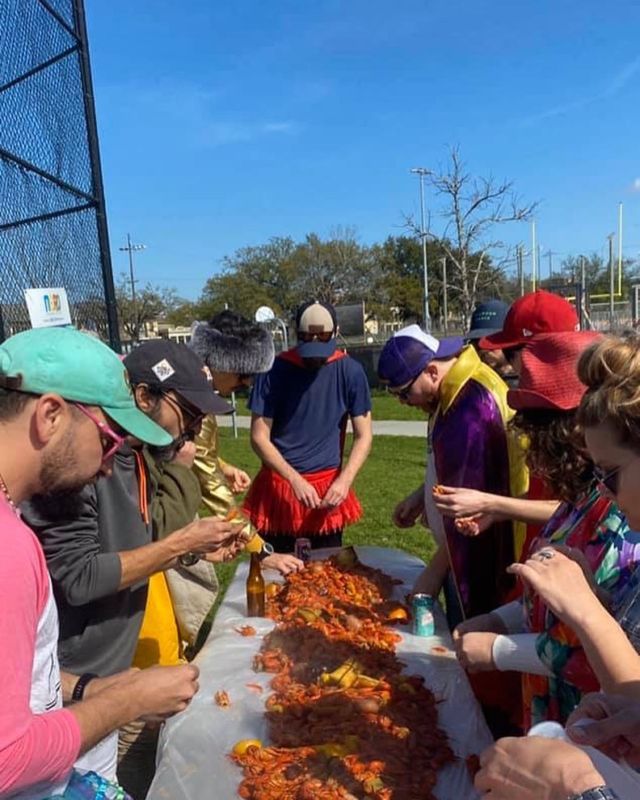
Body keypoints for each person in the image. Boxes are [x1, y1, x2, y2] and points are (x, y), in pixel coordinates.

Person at [22, 339, 242, 782]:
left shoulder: (136, 458)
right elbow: (80, 577)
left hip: (107, 673)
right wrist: (177, 546)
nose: (195, 429)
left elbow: (138, 538)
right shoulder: (81, 467)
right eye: (189, 414)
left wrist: (189, 548)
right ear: (144, 397)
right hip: (74, 683)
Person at [0, 326, 200, 799]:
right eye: (110, 440)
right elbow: (7, 761)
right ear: (50, 415)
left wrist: (92, 690)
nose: (111, 466)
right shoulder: (8, 548)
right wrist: (129, 701)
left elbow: (28, 683)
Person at [454, 331, 640, 727]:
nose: (532, 449)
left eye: (538, 431)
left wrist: (501, 649)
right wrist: (502, 619)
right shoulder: (581, 500)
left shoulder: (621, 519)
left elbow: (607, 659)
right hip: (562, 719)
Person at [380, 324, 528, 625]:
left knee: (471, 642)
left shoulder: (469, 406)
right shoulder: (448, 391)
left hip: (482, 560)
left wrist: (433, 575)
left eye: (405, 394)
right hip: (456, 550)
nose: (404, 403)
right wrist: (423, 496)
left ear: (432, 371)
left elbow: (470, 512)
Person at [433, 289, 581, 546]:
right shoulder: (546, 414)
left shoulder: (588, 423)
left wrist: (492, 503)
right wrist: (497, 510)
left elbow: (580, 510)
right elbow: (545, 496)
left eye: (512, 353)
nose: (511, 366)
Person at [244, 300, 372, 552]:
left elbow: (364, 435)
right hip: (280, 488)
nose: (314, 358)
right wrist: (294, 479)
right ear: (296, 335)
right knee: (276, 572)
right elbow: (259, 437)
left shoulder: (350, 371)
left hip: (328, 488)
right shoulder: (272, 371)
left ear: (335, 334)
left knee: (327, 575)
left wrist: (345, 480)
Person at [189, 309, 303, 574]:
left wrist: (222, 465)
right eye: (242, 373)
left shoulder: (195, 384)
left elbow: (195, 451)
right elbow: (213, 488)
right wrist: (261, 550)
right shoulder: (193, 401)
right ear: (219, 361)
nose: (248, 382)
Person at [466, 299, 516, 385]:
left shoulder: (525, 386)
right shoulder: (471, 386)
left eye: (490, 341)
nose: (483, 349)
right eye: (476, 341)